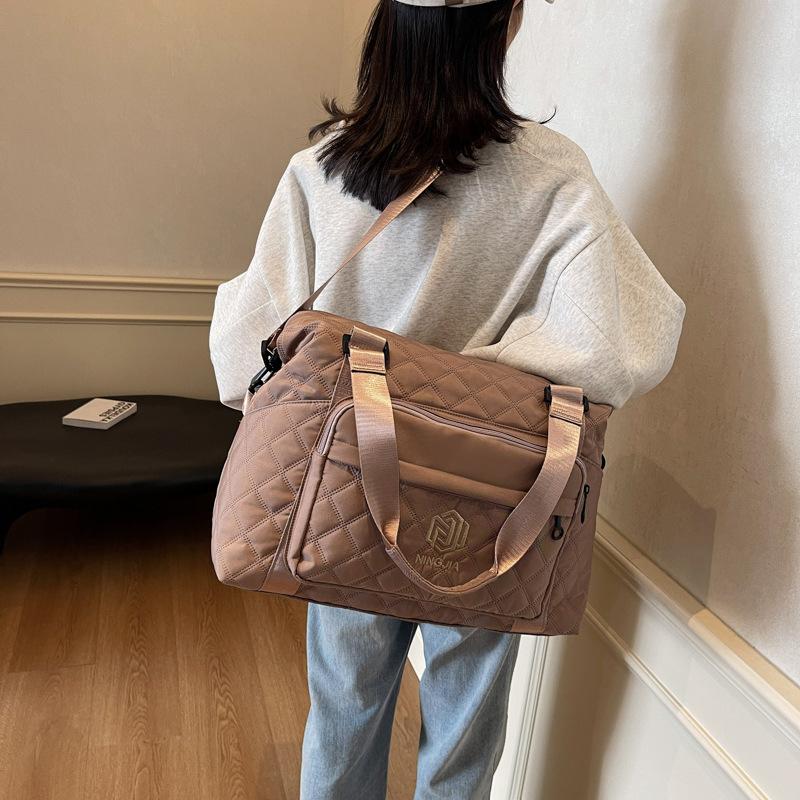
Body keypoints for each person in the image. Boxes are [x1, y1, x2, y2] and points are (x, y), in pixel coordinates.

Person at [209, 0, 686, 797]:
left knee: (345, 710)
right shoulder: (553, 174)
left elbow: (244, 355)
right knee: (465, 732)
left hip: (346, 485)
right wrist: (477, 379)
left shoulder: (320, 170)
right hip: (494, 492)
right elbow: (618, 341)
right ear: (505, 23)